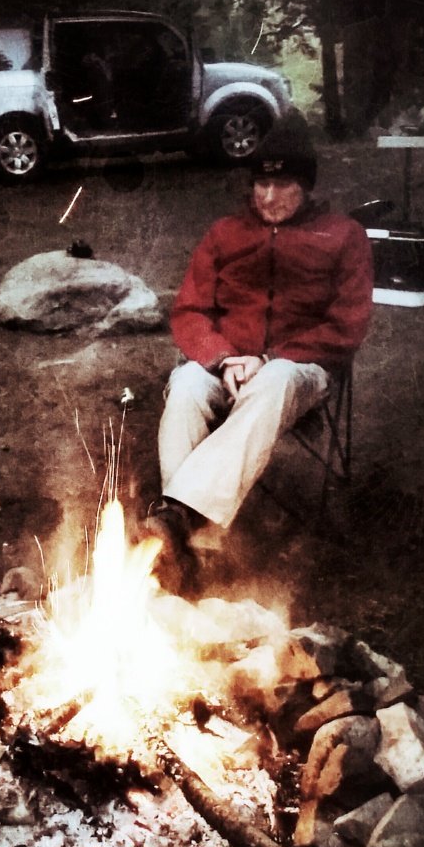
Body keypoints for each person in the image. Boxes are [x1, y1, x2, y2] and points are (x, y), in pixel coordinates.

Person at [148, 111, 374, 586]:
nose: (268, 196)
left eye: (283, 184)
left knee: (274, 379)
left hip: (299, 370)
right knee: (186, 383)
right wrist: (222, 357)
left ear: (305, 185)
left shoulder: (343, 236)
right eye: (260, 184)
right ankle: (192, 550)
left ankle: (179, 519)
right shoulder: (225, 233)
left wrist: (269, 359)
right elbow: (190, 310)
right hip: (227, 363)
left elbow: (347, 325)